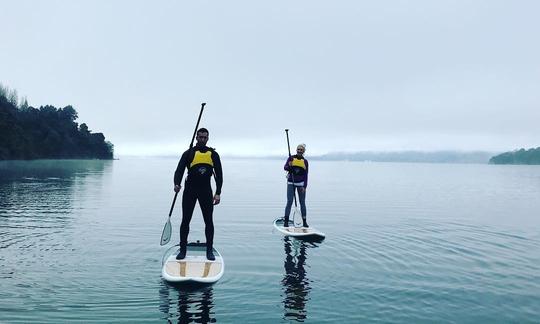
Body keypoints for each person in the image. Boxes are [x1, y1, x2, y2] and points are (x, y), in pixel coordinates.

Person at [174, 128, 223, 261]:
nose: (202, 139)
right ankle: (183, 250)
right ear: (196, 137)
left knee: (209, 221)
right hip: (190, 191)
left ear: (208, 138)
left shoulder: (213, 154)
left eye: (205, 137)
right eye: (200, 137)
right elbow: (179, 170)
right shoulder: (188, 153)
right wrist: (176, 184)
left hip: (206, 191)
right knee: (185, 221)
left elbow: (219, 175)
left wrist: (218, 193)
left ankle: (209, 250)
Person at [283, 143, 308, 227]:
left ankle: (304, 222)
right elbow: (285, 167)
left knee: (302, 203)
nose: (299, 151)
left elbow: (306, 175)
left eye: (301, 150)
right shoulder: (291, 158)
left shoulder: (305, 161)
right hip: (291, 182)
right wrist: (289, 165)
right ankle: (286, 222)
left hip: (301, 184)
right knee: (289, 202)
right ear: (296, 150)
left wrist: (304, 186)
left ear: (303, 151)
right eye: (298, 149)